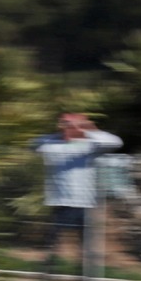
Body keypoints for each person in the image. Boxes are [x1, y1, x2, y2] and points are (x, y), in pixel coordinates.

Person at [29, 113, 123, 272]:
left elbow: (116, 142)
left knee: (85, 243)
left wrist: (88, 130)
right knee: (53, 241)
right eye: (66, 125)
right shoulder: (52, 143)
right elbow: (34, 144)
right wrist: (61, 132)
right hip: (60, 201)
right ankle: (47, 272)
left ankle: (85, 275)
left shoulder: (90, 144)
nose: (70, 128)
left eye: (73, 125)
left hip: (84, 202)